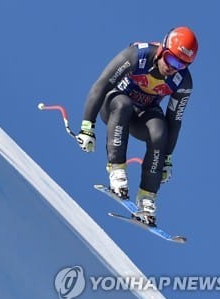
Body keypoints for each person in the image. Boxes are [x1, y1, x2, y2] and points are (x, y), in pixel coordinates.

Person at [75, 27, 198, 226]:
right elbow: (101, 85)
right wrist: (87, 125)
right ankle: (117, 172)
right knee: (123, 104)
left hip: (143, 114)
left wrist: (167, 158)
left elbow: (174, 120)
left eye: (181, 65)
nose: (172, 67)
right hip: (115, 106)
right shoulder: (138, 55)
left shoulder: (182, 80)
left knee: (160, 131)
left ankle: (147, 200)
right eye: (171, 59)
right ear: (162, 49)